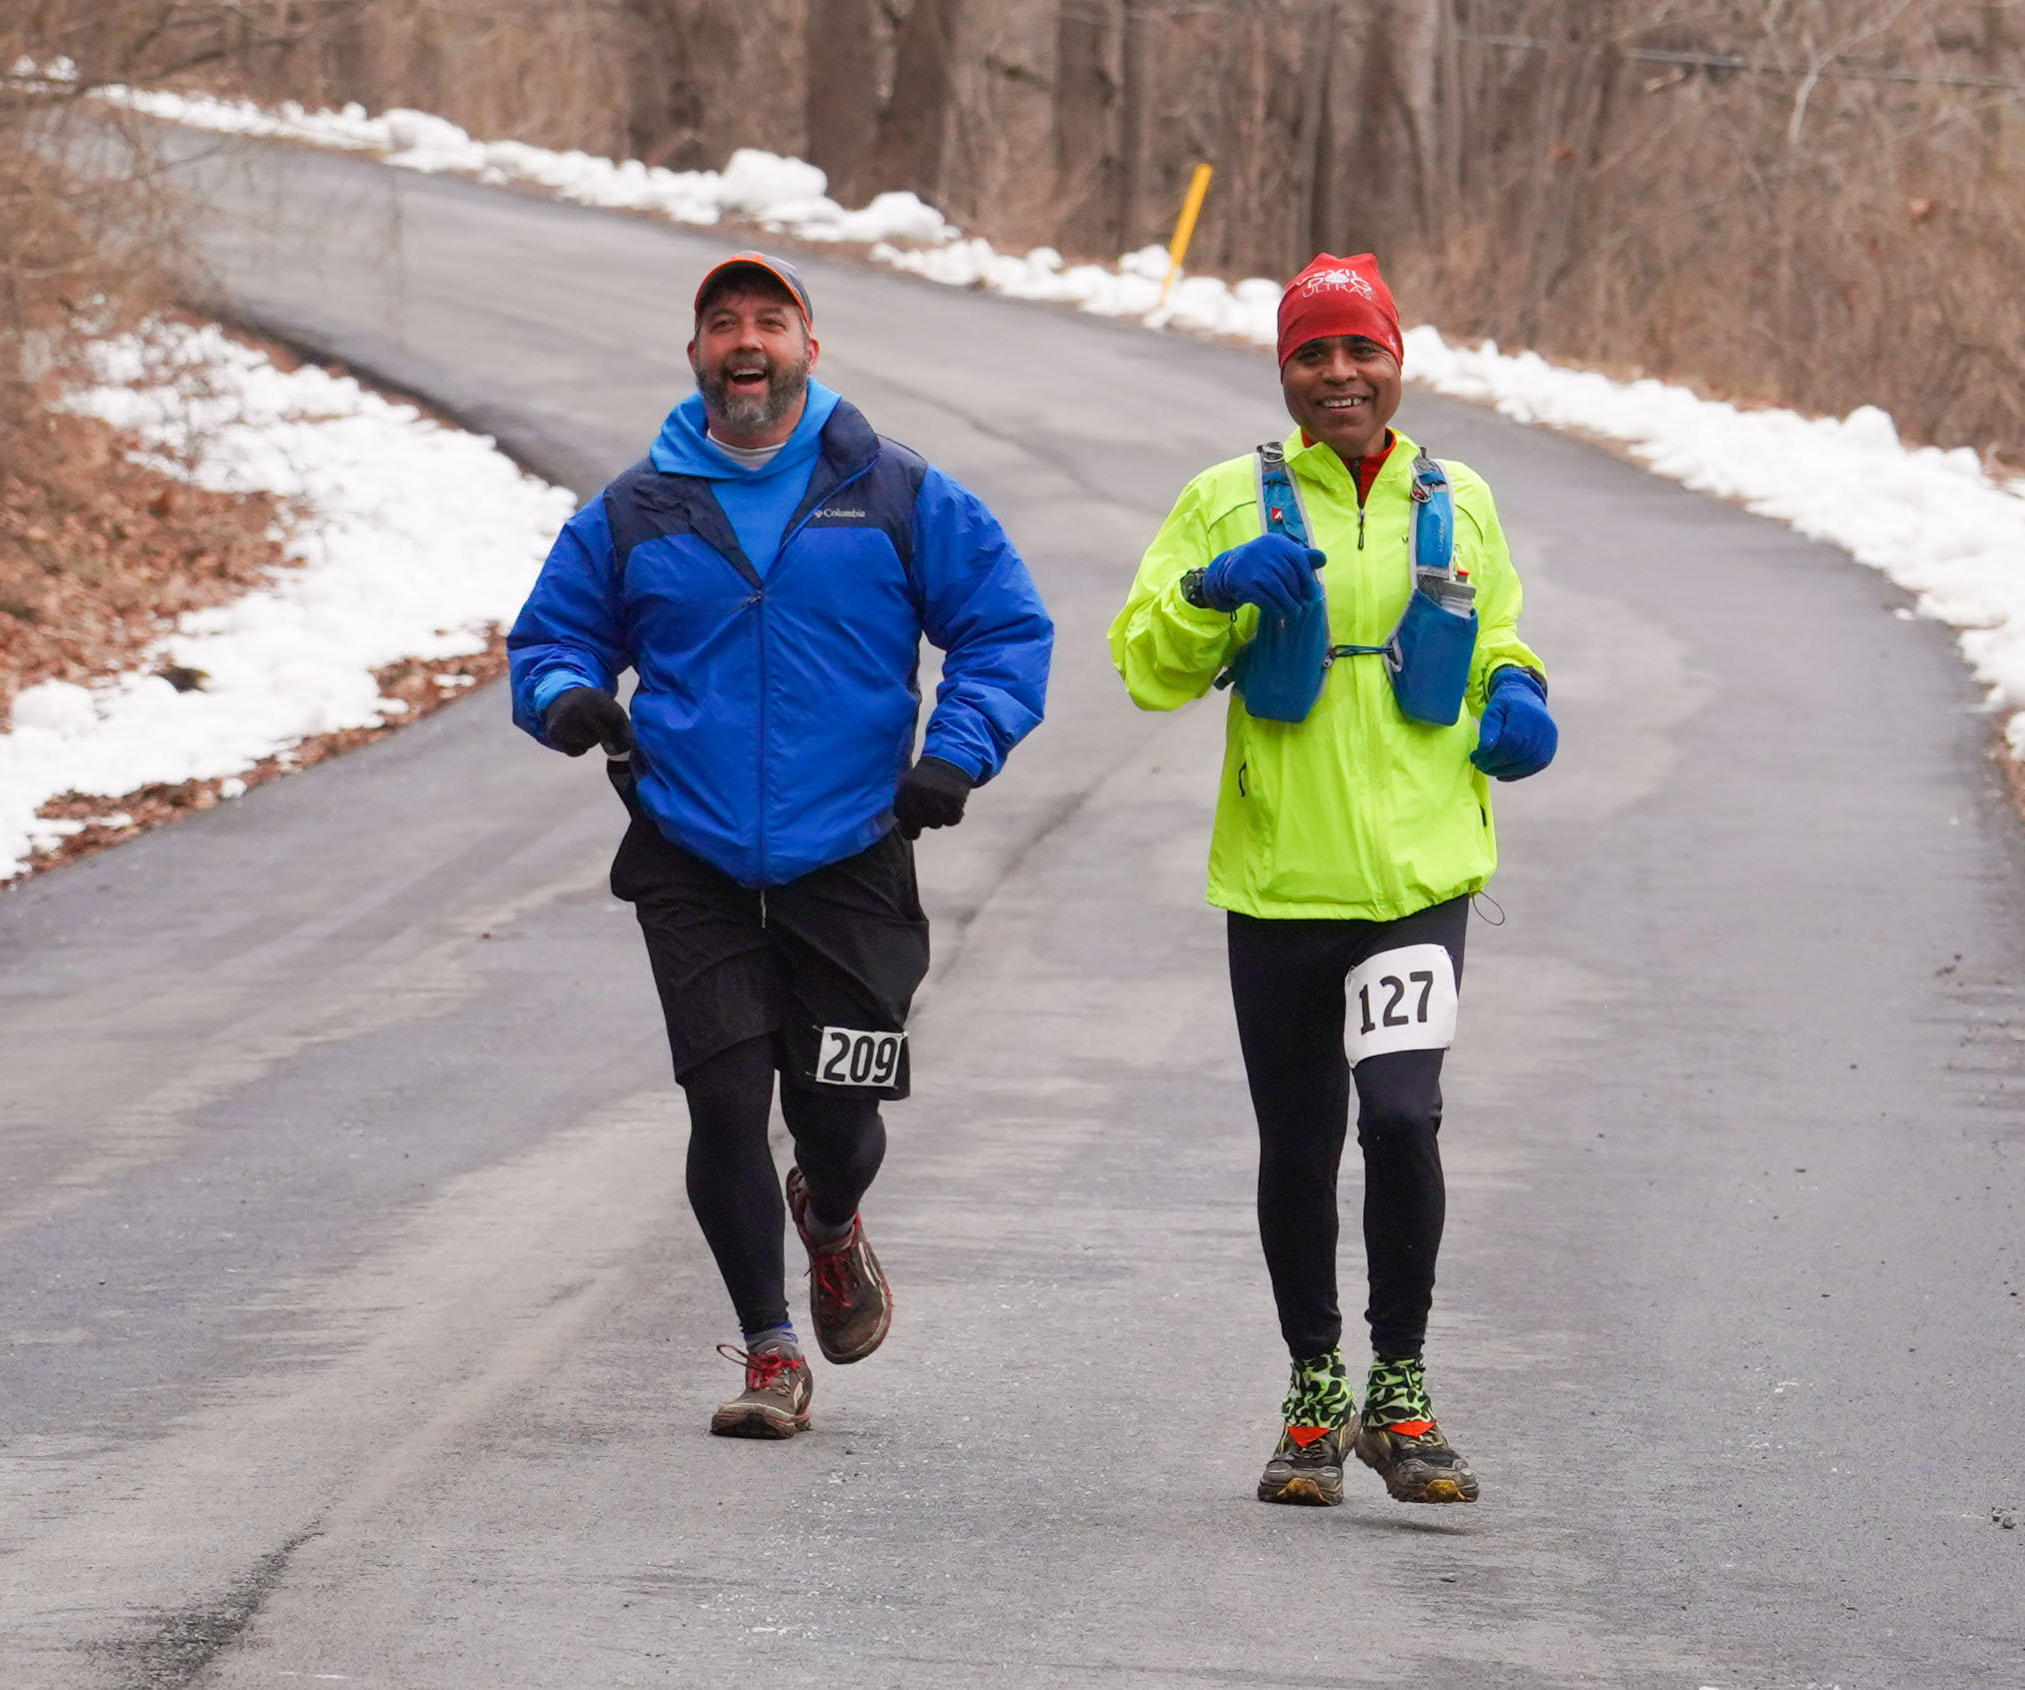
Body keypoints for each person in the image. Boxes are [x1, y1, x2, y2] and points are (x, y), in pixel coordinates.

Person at [508, 251, 1052, 1439]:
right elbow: (548, 637)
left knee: (838, 1122)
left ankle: (834, 1217)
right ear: (694, 354)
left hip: (852, 851)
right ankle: (768, 1351)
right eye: (721, 323)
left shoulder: (897, 491)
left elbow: (1005, 629)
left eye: (769, 320)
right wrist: (565, 699)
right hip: (689, 854)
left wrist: (957, 752)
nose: (744, 341)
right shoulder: (634, 509)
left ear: (810, 346)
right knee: (721, 1105)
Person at [1108, 252, 1555, 1507]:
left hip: (1418, 872)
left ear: (1395, 359)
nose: (1340, 374)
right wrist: (1210, 592)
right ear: (1285, 371)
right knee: (1298, 1146)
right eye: (1314, 354)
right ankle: (1313, 1392)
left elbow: (1496, 626)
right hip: (1279, 876)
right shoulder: (1222, 498)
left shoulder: (1457, 495)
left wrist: (1515, 690)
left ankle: (1398, 1389)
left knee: (1402, 1122)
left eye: (1360, 350)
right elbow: (1144, 663)